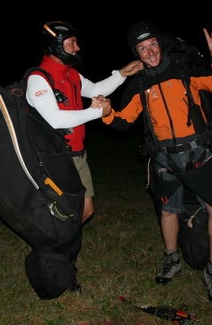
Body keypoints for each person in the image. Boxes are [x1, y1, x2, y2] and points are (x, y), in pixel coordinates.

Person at [100, 21, 212, 304]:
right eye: (142, 48)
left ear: (160, 43)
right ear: (136, 53)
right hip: (164, 158)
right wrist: (107, 113)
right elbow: (123, 122)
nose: (149, 52)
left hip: (200, 154)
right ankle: (172, 259)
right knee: (168, 211)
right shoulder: (140, 83)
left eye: (152, 44)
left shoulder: (184, 69)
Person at [26, 20, 143, 290]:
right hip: (55, 159)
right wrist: (96, 112)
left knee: (86, 210)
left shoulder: (71, 74)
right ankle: (59, 264)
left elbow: (96, 89)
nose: (77, 47)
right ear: (56, 45)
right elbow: (55, 119)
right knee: (67, 215)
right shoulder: (38, 78)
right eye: (72, 43)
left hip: (78, 155)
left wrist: (122, 74)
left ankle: (55, 251)